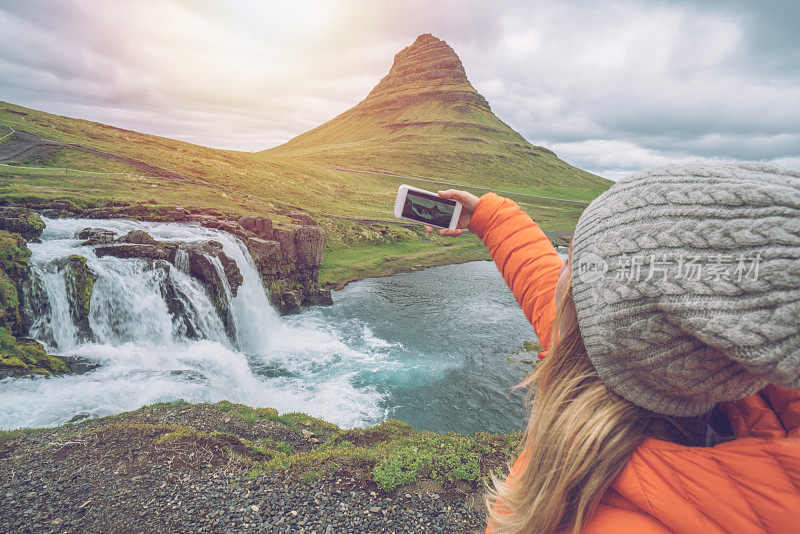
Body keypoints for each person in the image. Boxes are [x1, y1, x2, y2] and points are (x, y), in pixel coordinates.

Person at [426, 163, 800, 533]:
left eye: (572, 261)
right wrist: (490, 220)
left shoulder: (603, 516)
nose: (559, 269)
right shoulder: (716, 362)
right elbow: (546, 285)